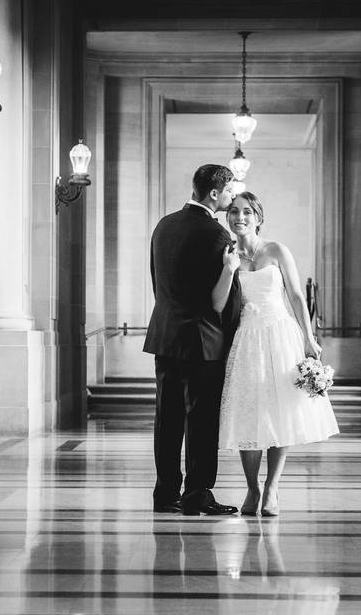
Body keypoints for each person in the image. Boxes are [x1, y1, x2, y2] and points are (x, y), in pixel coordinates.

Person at [213, 191, 339, 517]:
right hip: (247, 338)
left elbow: (297, 296)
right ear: (228, 218)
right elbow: (219, 304)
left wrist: (309, 338)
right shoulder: (226, 256)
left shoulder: (277, 250)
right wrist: (228, 269)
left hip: (281, 334)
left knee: (281, 410)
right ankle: (252, 488)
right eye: (234, 212)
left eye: (246, 212)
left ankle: (272, 488)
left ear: (258, 217)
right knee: (250, 410)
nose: (240, 217)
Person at [143, 164, 240, 516]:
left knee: (166, 417)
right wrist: (234, 336)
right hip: (203, 341)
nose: (231, 197)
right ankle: (197, 493)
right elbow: (225, 302)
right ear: (214, 193)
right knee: (200, 421)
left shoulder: (163, 226)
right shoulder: (216, 234)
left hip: (165, 336)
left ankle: (165, 492)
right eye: (230, 191)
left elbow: (157, 282)